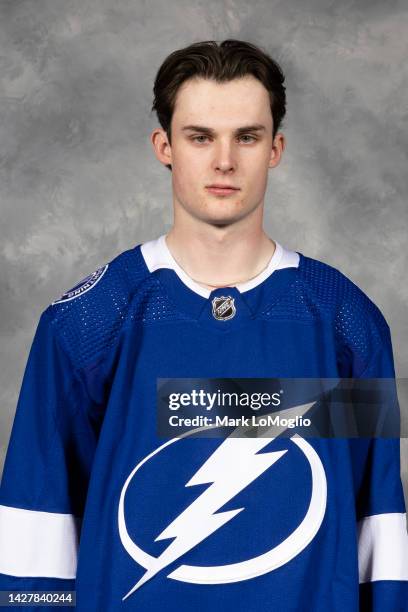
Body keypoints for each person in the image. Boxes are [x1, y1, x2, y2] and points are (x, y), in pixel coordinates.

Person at [0, 39, 407, 611]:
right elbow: (34, 526)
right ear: (164, 146)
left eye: (247, 136)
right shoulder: (86, 322)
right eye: (200, 137)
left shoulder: (346, 321)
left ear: (276, 149)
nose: (224, 161)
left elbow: (379, 520)